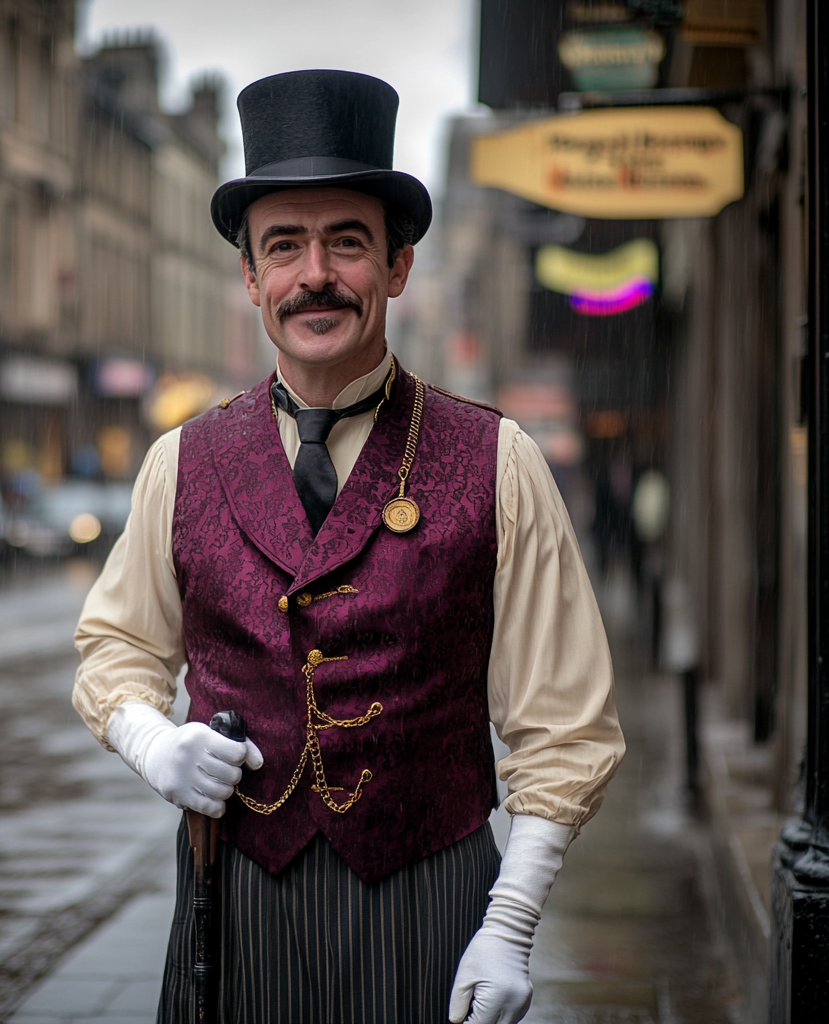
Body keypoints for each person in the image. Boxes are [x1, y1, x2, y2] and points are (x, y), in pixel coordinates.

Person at [73, 70, 624, 1024]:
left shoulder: (499, 460)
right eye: (283, 246)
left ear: (399, 267)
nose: (313, 274)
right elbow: (116, 649)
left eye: (347, 243)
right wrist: (149, 740)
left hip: (433, 903)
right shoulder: (181, 462)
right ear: (249, 276)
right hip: (233, 904)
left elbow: (565, 726)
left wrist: (515, 917)